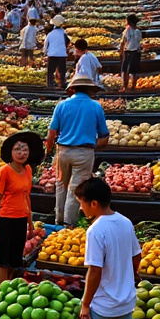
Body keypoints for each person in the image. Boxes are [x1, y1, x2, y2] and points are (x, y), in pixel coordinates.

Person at [74, 177, 141, 319]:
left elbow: (95, 271)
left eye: (82, 203)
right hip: (126, 303)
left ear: (94, 203)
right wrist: (131, 276)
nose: (81, 208)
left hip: (101, 306)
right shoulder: (125, 222)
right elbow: (137, 255)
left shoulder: (96, 230)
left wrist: (86, 305)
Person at [44, 74, 109, 226]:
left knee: (60, 185)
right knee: (76, 189)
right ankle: (68, 224)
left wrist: (48, 151)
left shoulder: (62, 105)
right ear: (90, 90)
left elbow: (51, 133)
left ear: (73, 89)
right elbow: (104, 137)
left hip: (63, 151)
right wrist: (91, 147)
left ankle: (58, 220)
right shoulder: (95, 106)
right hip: (84, 152)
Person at [0, 131, 45, 284]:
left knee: (15, 259)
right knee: (3, 260)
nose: (22, 153)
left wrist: (30, 222)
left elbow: (26, 197)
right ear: (10, 152)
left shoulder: (28, 170)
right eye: (17, 149)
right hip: (6, 220)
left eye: (25, 149)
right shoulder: (4, 172)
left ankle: (9, 288)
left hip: (20, 220)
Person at [118, 14, 143, 91]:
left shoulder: (127, 31)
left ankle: (125, 87)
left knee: (125, 70)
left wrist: (121, 52)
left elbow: (123, 42)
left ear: (130, 22)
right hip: (135, 52)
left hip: (129, 52)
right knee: (133, 71)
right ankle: (132, 87)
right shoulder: (138, 31)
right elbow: (138, 42)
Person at [44, 18, 70, 90]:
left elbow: (46, 44)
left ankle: (50, 85)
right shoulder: (63, 33)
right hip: (61, 54)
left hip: (52, 54)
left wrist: (45, 53)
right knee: (62, 71)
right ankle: (62, 84)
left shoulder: (50, 34)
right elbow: (67, 41)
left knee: (50, 71)